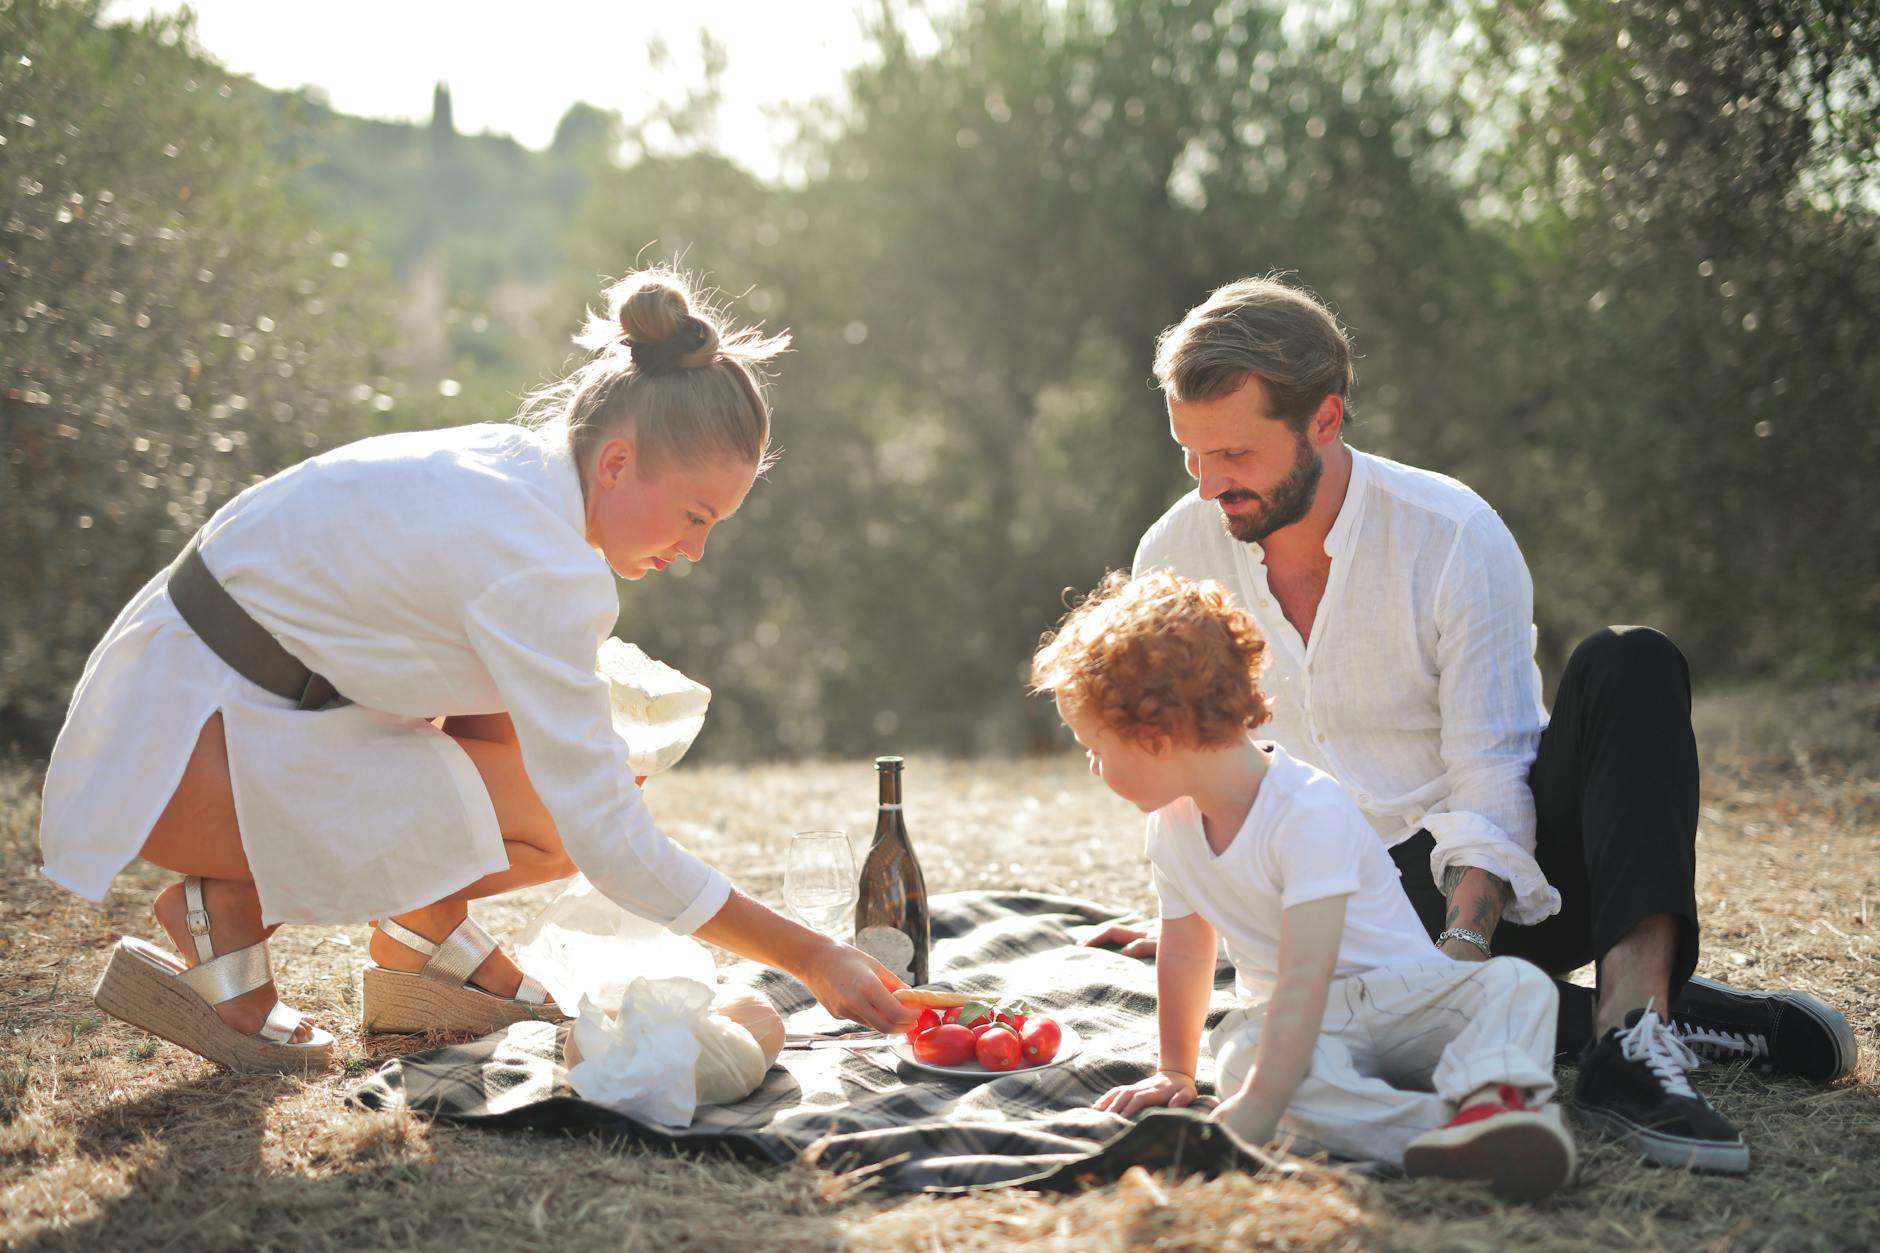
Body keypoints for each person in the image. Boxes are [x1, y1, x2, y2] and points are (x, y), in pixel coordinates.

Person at [38, 269, 917, 1072]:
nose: (694, 550)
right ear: (617, 462)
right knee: (567, 821)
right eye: (694, 515)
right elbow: (608, 840)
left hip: (195, 709)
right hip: (170, 753)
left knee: (585, 759)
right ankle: (229, 906)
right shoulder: (537, 560)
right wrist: (811, 953)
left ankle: (422, 929)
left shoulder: (519, 471)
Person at [1096, 274, 1856, 1174]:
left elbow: (1492, 779)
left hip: (1507, 876)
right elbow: (1187, 751)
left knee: (1631, 657)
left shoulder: (1452, 531)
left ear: (1325, 420)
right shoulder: (1173, 553)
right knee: (1340, 1005)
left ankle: (1629, 1044)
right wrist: (1209, 903)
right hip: (1328, 905)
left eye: (1235, 453)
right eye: (1191, 453)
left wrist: (1460, 952)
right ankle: (1681, 1016)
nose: (1209, 481)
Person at [1035, 570, 1577, 1200]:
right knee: (1241, 1057)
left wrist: (1257, 1110)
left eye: (1093, 748)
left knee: (1516, 987)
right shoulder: (1171, 826)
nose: (1093, 767)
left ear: (1155, 741)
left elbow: (1305, 979)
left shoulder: (1307, 810)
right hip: (1296, 1031)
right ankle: (1443, 1133)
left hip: (1404, 998)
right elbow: (1186, 948)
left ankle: (1494, 1096)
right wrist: (1177, 1071)